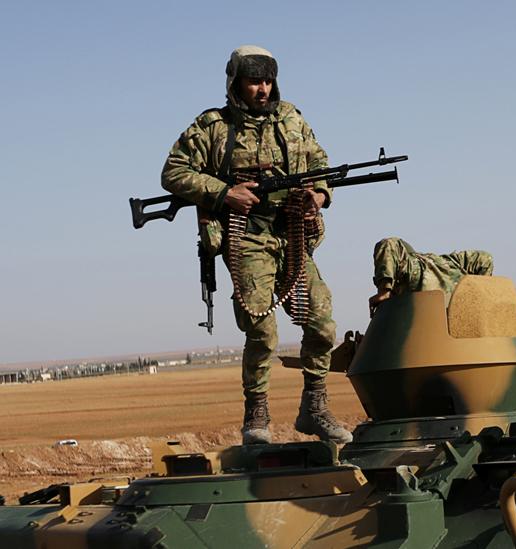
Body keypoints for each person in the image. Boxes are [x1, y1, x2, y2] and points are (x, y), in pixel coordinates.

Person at [161, 45, 352, 445]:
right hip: (247, 237)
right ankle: (257, 413)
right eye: (253, 82)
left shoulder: (292, 119)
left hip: (293, 234)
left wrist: (318, 194)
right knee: (262, 329)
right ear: (235, 83)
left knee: (322, 322)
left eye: (267, 81)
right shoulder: (213, 127)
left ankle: (314, 408)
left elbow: (320, 163)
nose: (262, 90)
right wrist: (224, 192)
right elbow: (173, 172)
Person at [368, 237, 494, 313]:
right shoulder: (451, 261)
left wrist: (383, 291)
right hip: (457, 302)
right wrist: (477, 301)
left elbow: (388, 244)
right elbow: (485, 259)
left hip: (420, 289)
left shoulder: (411, 267)